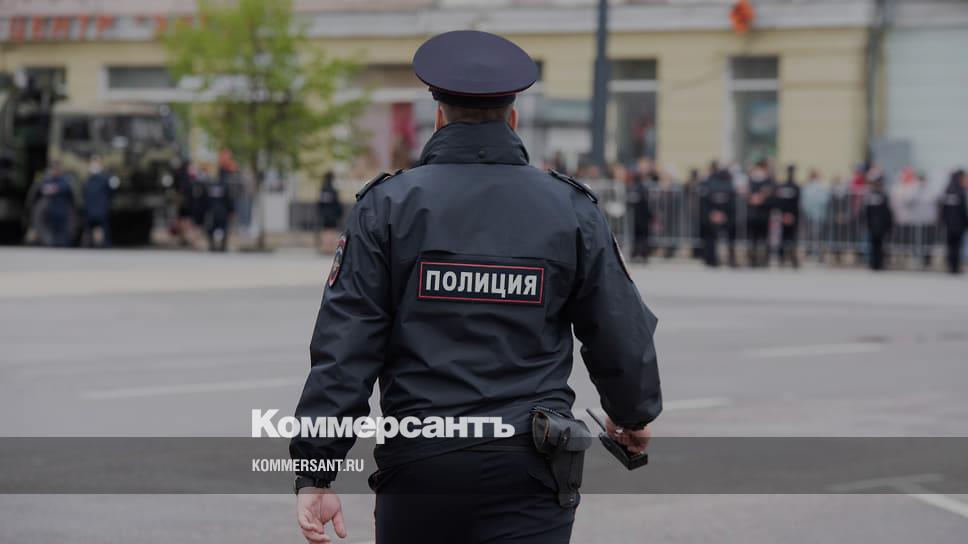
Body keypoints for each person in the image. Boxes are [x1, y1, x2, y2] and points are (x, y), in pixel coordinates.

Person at [290, 30, 662, 544]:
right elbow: (617, 327)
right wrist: (632, 415)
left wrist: (315, 469)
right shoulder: (571, 208)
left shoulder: (388, 207)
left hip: (422, 461)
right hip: (531, 462)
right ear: (514, 119)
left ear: (439, 118)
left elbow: (346, 347)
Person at [698, 160, 737, 267]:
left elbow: (703, 201)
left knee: (710, 238)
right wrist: (722, 214)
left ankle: (711, 260)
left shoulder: (707, 182)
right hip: (723, 215)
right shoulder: (728, 183)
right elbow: (731, 201)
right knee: (724, 238)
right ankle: (729, 260)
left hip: (712, 215)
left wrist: (712, 214)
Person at [746, 160, 775, 267]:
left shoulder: (769, 181)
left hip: (764, 214)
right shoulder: (751, 180)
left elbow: (772, 195)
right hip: (753, 214)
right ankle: (753, 259)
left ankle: (764, 260)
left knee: (765, 238)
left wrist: (762, 198)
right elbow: (747, 194)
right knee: (753, 238)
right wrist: (752, 199)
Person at [38, 162, 74, 247]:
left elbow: (66, 188)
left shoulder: (65, 179)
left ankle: (64, 245)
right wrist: (53, 188)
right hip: (52, 210)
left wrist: (54, 188)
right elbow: (43, 188)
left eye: (56, 169)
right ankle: (54, 245)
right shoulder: (49, 179)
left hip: (62, 210)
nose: (54, 171)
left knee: (63, 230)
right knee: (53, 229)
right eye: (53, 169)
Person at [82, 155, 114, 248]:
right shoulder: (88, 180)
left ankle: (107, 246)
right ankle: (88, 246)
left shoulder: (106, 179)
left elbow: (111, 192)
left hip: (102, 208)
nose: (94, 166)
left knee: (105, 229)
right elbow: (84, 193)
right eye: (93, 163)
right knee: (89, 231)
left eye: (96, 163)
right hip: (90, 209)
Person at [940, 170, 967, 274]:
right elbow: (963, 209)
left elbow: (943, 209)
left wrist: (943, 220)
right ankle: (955, 267)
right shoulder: (960, 191)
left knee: (950, 246)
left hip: (949, 224)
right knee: (957, 246)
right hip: (959, 224)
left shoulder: (947, 190)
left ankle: (951, 266)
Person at [774, 164, 801, 268]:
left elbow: (796, 203)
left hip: (791, 216)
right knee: (784, 238)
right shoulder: (787, 187)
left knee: (791, 238)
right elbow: (780, 202)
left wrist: (789, 215)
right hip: (786, 217)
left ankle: (791, 258)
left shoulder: (794, 187)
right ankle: (782, 258)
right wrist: (785, 215)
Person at [864, 176, 893, 271]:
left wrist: (888, 225)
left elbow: (887, 212)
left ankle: (879, 263)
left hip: (881, 226)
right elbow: (866, 212)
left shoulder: (883, 196)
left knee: (880, 246)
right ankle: (873, 263)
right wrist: (866, 223)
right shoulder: (870, 196)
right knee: (872, 245)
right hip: (872, 225)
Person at [800, 169, 829, 260]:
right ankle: (810, 252)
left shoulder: (820, 187)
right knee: (811, 234)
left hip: (817, 214)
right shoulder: (808, 187)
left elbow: (824, 200)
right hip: (811, 214)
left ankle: (818, 253)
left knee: (817, 234)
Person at [205, 164, 234, 252]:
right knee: (223, 229)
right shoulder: (224, 185)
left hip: (212, 211)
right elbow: (228, 199)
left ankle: (212, 245)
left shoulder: (211, 185)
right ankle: (222, 246)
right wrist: (231, 210)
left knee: (211, 229)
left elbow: (206, 199)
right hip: (222, 211)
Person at [316, 171, 344, 254]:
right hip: (333, 215)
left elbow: (320, 204)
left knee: (325, 231)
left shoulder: (323, 190)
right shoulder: (334, 191)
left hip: (325, 215)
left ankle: (325, 248)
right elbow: (337, 204)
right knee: (332, 231)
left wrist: (321, 213)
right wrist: (339, 214)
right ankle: (331, 248)